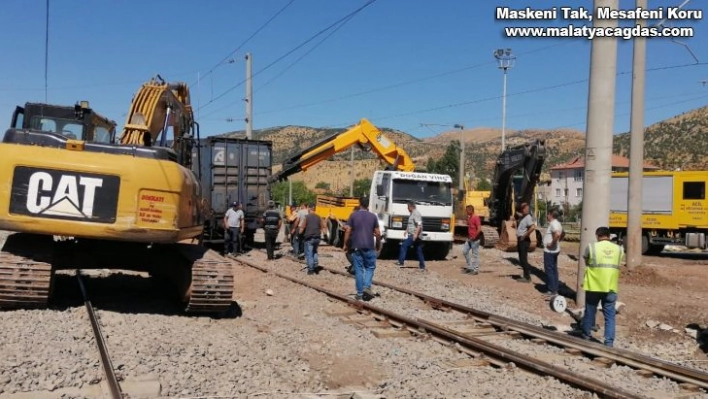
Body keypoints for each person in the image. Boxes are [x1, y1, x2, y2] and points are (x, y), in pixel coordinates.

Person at [581, 226, 624, 347]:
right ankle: (609, 342)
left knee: (590, 311)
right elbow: (618, 262)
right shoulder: (619, 249)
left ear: (597, 236)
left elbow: (586, 259)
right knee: (610, 315)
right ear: (609, 236)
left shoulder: (591, 247)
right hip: (610, 286)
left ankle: (586, 336)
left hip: (594, 285)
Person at [343, 196, 381, 301]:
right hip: (369, 246)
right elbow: (378, 233)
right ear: (368, 204)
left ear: (359, 204)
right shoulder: (373, 216)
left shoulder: (353, 215)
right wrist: (378, 245)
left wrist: (345, 244)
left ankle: (359, 293)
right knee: (370, 267)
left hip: (356, 247)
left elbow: (348, 230)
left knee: (359, 270)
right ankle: (367, 286)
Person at [396, 202, 426, 271]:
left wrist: (415, 234)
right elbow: (411, 224)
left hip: (414, 235)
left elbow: (419, 225)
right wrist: (406, 230)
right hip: (413, 234)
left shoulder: (416, 213)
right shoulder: (412, 213)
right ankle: (422, 266)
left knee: (404, 245)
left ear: (411, 207)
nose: (407, 209)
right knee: (418, 250)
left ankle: (401, 262)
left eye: (408, 207)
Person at [299, 205, 324, 275]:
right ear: (315, 209)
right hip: (317, 237)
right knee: (315, 251)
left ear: (309, 209)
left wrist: (299, 233)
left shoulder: (306, 217)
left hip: (309, 237)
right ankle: (316, 266)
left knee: (309, 253)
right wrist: (324, 234)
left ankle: (311, 269)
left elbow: (302, 227)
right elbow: (323, 226)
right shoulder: (319, 217)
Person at [543, 209, 563, 295]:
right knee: (554, 269)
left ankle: (552, 289)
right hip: (555, 250)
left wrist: (551, 244)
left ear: (551, 215)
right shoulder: (558, 223)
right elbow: (563, 234)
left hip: (550, 251)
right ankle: (555, 287)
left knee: (549, 270)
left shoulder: (553, 224)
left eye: (548, 214)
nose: (547, 216)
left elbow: (557, 234)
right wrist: (558, 241)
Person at [515, 202, 535, 282]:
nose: (525, 209)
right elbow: (518, 215)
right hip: (521, 240)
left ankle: (527, 277)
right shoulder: (524, 217)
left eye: (525, 208)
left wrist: (525, 235)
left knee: (523, 259)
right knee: (522, 259)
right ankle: (525, 275)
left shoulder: (528, 217)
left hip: (524, 241)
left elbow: (532, 227)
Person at [463, 205, 482, 275]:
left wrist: (474, 236)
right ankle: (470, 267)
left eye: (467, 211)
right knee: (465, 251)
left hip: (475, 239)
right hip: (469, 238)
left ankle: (475, 270)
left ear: (470, 210)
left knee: (475, 254)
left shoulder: (476, 218)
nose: (466, 212)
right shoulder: (470, 217)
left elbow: (479, 229)